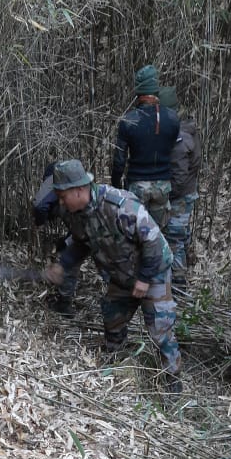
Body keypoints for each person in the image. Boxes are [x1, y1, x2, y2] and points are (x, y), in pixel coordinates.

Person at [44, 159, 183, 392]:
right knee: (112, 316)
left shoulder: (119, 205)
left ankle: (173, 383)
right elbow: (81, 243)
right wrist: (64, 264)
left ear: (79, 190)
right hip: (121, 275)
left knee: (161, 329)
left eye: (62, 195)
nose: (60, 202)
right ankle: (116, 367)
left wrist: (144, 279)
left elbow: (153, 241)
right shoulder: (76, 213)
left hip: (153, 270)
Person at [110, 65, 180, 232]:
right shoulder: (172, 118)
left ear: (138, 90)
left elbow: (119, 160)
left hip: (137, 185)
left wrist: (116, 184)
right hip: (162, 185)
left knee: (135, 234)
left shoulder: (129, 121)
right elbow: (173, 153)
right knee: (157, 235)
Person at [157, 86, 202, 293]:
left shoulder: (179, 137)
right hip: (187, 192)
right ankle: (179, 281)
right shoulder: (187, 128)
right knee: (181, 236)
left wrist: (166, 195)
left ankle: (178, 285)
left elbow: (179, 175)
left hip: (180, 196)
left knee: (174, 237)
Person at [32, 162, 76, 316]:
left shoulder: (52, 180)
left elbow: (39, 205)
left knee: (72, 251)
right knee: (73, 244)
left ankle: (64, 303)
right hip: (86, 221)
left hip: (82, 221)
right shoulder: (79, 182)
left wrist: (39, 224)